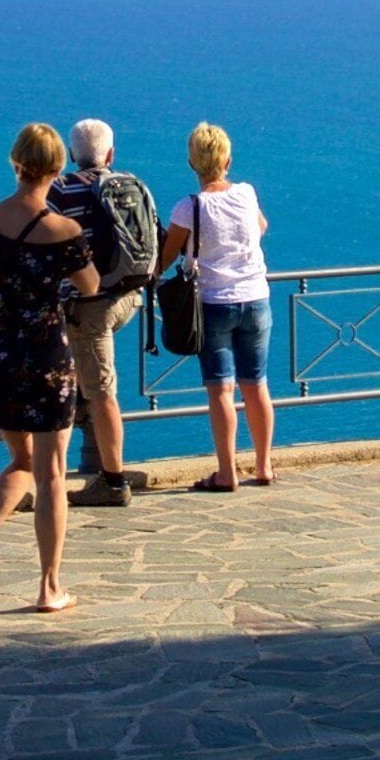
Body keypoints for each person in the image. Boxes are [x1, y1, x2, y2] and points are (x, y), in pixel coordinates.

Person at [0, 122, 100, 611]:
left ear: (16, 163)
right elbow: (90, 285)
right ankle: (49, 586)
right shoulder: (65, 230)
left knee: (22, 461)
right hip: (45, 358)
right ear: (58, 171)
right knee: (52, 471)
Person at [47, 117, 158, 507]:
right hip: (129, 297)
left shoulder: (60, 192)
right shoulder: (130, 184)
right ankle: (81, 418)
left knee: (102, 393)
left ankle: (112, 481)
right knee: (88, 385)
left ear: (72, 154)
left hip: (89, 307)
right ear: (110, 154)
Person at [159, 121, 273, 491]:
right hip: (256, 299)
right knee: (256, 385)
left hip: (213, 303)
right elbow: (260, 227)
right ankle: (264, 465)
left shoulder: (188, 208)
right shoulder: (246, 193)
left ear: (193, 164)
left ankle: (226, 473)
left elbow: (164, 259)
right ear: (227, 160)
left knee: (221, 390)